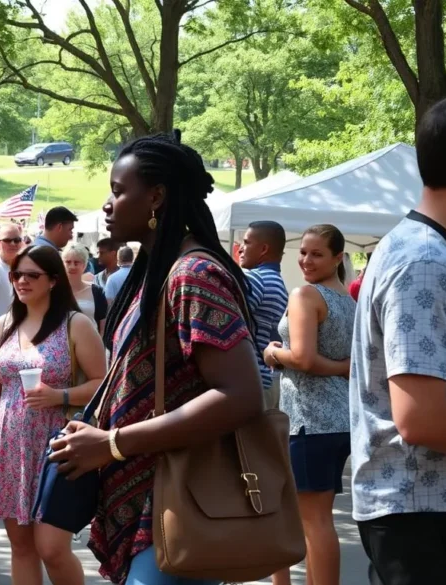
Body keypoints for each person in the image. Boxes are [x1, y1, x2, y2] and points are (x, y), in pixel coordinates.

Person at [49, 133, 264, 585]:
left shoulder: (194, 275)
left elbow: (242, 396)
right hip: (152, 499)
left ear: (157, 197)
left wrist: (111, 443)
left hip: (179, 501)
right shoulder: (156, 271)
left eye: (118, 190)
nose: (107, 204)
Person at [349, 97, 446, 584]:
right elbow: (421, 417)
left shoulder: (426, 252)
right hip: (423, 515)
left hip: (423, 512)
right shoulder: (425, 262)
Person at [0, 245, 106, 585]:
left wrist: (60, 396)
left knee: (52, 548)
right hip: (10, 448)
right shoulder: (4, 325)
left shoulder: (76, 324)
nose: (22, 281)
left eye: (32, 275)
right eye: (17, 274)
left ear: (54, 280)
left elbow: (103, 384)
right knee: (21, 546)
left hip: (57, 448)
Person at [262, 224, 354, 585]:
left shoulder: (305, 295)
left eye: (316, 254)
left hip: (310, 420)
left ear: (336, 258)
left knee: (314, 523)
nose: (306, 259)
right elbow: (342, 362)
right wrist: (343, 369)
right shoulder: (348, 299)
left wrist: (273, 352)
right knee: (316, 519)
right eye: (302, 251)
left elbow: (301, 357)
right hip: (339, 420)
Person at [238, 221, 290, 410]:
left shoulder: (254, 279)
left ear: (264, 249)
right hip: (268, 379)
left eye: (246, 242)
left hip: (249, 381)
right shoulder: (277, 282)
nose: (240, 249)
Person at [62, 243, 108, 332]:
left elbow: (103, 326)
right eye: (68, 262)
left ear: (84, 265)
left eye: (76, 262)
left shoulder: (96, 291)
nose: (72, 266)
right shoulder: (54, 291)